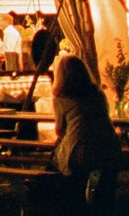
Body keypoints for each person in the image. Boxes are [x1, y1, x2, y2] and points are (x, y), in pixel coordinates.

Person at [51, 55, 122, 208]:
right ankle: (101, 198)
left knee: (60, 152)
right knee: (98, 164)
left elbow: (60, 130)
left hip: (80, 150)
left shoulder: (61, 97)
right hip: (108, 145)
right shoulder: (98, 94)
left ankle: (65, 197)